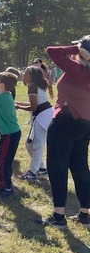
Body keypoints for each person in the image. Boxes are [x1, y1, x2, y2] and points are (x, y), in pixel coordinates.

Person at [37, 36, 90, 229]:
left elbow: (51, 50)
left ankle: (59, 217)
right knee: (80, 167)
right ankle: (85, 214)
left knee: (57, 167)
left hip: (65, 122)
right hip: (85, 123)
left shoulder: (77, 70)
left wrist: (78, 49)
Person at [15, 66, 52, 180]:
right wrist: (15, 102)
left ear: (31, 76)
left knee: (37, 146)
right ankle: (41, 169)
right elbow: (32, 103)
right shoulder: (33, 86)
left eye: (25, 72)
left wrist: (18, 106)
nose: (23, 74)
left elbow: (33, 107)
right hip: (43, 116)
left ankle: (32, 172)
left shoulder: (32, 87)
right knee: (29, 144)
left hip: (43, 117)